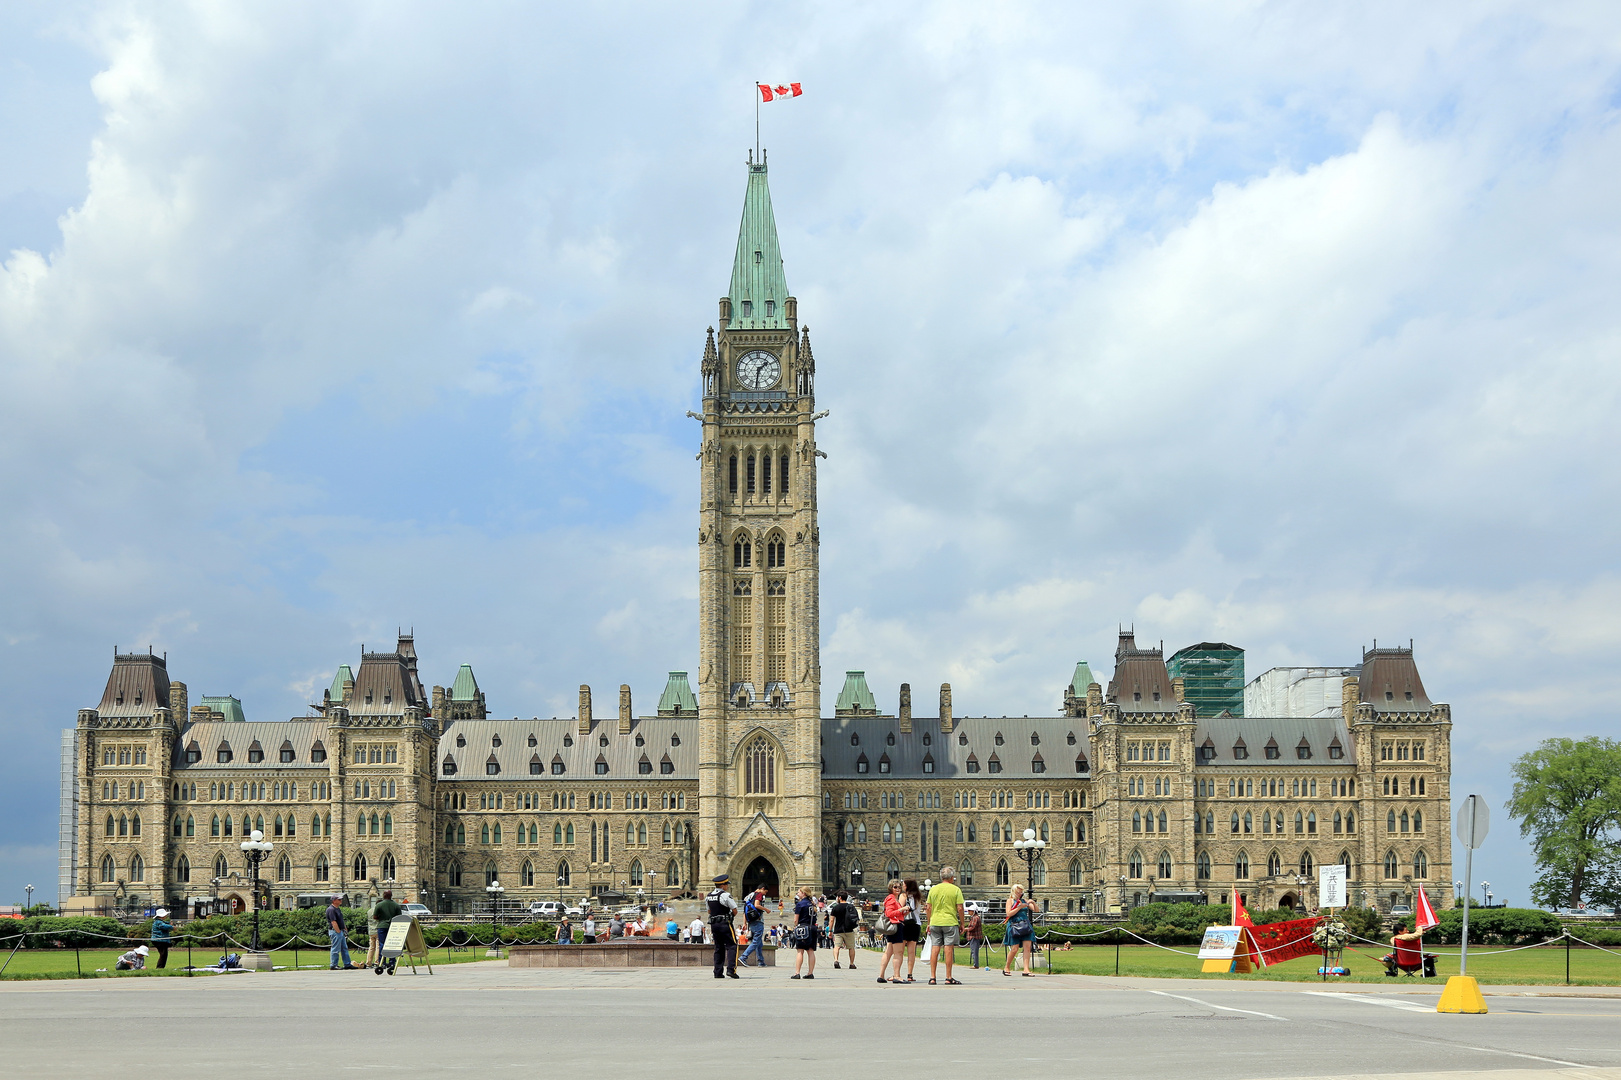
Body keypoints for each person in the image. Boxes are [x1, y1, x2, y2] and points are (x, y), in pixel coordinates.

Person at [925, 866, 967, 985]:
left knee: (935, 948)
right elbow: (960, 908)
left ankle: (932, 977)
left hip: (935, 922)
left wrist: (929, 922)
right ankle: (948, 977)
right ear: (952, 877)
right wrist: (962, 923)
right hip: (950, 922)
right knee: (948, 949)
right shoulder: (955, 889)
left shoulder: (933, 889)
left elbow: (928, 907)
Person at [706, 873, 739, 979]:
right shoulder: (725, 895)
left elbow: (709, 911)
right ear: (723, 885)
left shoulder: (709, 896)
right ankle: (731, 969)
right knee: (732, 945)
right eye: (726, 884)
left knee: (718, 947)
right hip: (725, 924)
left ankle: (718, 971)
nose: (727, 886)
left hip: (714, 924)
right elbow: (734, 910)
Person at [1002, 883, 1037, 977]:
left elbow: (1036, 910)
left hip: (1025, 924)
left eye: (1021, 891)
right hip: (1014, 925)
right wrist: (1019, 907)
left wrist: (1032, 903)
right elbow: (1009, 913)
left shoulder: (1023, 900)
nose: (1020, 893)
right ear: (1014, 892)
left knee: (1027, 947)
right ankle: (1007, 967)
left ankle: (1026, 969)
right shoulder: (1010, 901)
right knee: (1014, 948)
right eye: (1018, 892)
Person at [876, 879, 908, 983]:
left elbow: (894, 913)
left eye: (899, 887)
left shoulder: (893, 898)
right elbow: (889, 913)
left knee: (888, 952)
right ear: (890, 888)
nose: (898, 889)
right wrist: (901, 910)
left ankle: (881, 975)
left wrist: (903, 913)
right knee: (898, 952)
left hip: (893, 926)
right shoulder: (891, 899)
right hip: (895, 927)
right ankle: (897, 976)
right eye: (895, 887)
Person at [789, 885, 818, 979]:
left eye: (799, 892)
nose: (797, 894)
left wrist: (795, 927)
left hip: (803, 928)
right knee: (810, 951)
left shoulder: (800, 904)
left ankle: (797, 973)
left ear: (803, 893)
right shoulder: (812, 904)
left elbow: (795, 920)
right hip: (813, 928)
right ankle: (810, 973)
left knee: (800, 951)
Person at [900, 879, 923, 982]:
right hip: (916, 924)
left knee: (899, 951)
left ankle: (897, 973)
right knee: (911, 952)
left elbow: (900, 909)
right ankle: (910, 974)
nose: (902, 886)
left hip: (905, 924)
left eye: (903, 885)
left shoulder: (903, 896)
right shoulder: (918, 897)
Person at [829, 890, 859, 970]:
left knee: (837, 946)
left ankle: (836, 960)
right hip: (849, 929)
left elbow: (831, 920)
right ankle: (851, 963)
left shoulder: (835, 907)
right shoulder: (851, 907)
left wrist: (830, 931)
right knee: (851, 947)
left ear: (839, 898)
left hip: (838, 929)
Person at [326, 894, 357, 970]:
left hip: (341, 931)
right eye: (339, 899)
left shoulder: (338, 909)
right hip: (335, 931)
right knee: (335, 948)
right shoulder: (331, 909)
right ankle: (333, 964)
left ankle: (347, 963)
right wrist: (338, 931)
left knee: (344, 948)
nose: (341, 901)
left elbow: (341, 920)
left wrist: (344, 928)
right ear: (334, 901)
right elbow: (333, 922)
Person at [740, 886, 768, 967]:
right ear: (762, 888)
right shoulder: (759, 894)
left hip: (751, 921)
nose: (765, 894)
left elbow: (744, 911)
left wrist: (744, 923)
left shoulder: (749, 896)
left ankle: (761, 961)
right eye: (765, 892)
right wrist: (766, 909)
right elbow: (756, 905)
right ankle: (743, 957)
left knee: (759, 942)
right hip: (758, 920)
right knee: (756, 941)